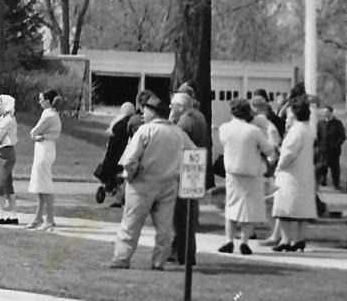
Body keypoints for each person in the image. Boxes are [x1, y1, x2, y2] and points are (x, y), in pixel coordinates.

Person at [109, 93, 185, 269]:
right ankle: (159, 261)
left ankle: (121, 258)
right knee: (164, 227)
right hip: (169, 183)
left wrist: (130, 175)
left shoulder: (146, 130)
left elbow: (130, 159)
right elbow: (193, 153)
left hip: (142, 183)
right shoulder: (178, 133)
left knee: (131, 223)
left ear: (153, 112)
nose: (143, 114)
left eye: (146, 110)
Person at [214, 98, 272, 255]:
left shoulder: (224, 128)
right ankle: (244, 241)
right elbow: (268, 149)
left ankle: (229, 240)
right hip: (252, 172)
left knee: (231, 206)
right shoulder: (254, 131)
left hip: (232, 173)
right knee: (249, 208)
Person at [167, 89, 211, 265]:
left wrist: (171, 122)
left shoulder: (184, 123)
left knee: (180, 216)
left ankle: (181, 253)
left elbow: (175, 145)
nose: (170, 108)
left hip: (183, 171)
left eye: (172, 106)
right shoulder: (199, 116)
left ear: (180, 107)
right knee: (188, 216)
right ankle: (181, 251)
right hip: (195, 171)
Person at [268, 96, 317, 252]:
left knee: (285, 208)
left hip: (290, 174)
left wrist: (279, 167)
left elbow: (288, 154)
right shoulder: (308, 129)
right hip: (305, 172)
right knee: (301, 209)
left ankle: (285, 239)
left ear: (295, 114)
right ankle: (299, 239)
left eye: (289, 114)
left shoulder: (296, 131)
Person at [27, 89, 63, 230]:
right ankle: (38, 217)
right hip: (45, 148)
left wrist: (38, 136)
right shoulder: (51, 113)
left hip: (45, 149)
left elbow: (34, 132)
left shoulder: (49, 114)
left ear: (48, 101)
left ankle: (49, 219)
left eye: (41, 99)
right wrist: (38, 136)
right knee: (40, 185)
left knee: (45, 185)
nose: (39, 101)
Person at [94, 101, 137, 207]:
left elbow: (112, 144)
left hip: (117, 156)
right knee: (122, 178)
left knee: (114, 175)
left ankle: (114, 194)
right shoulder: (136, 123)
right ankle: (120, 197)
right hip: (129, 155)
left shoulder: (118, 123)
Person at [316, 104, 344, 193]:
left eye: (327, 112)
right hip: (323, 150)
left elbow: (342, 136)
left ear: (331, 112)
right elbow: (318, 136)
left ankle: (336, 184)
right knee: (322, 167)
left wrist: (336, 145)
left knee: (335, 168)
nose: (325, 114)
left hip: (334, 151)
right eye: (324, 112)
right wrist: (319, 146)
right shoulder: (320, 123)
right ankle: (322, 182)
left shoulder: (337, 123)